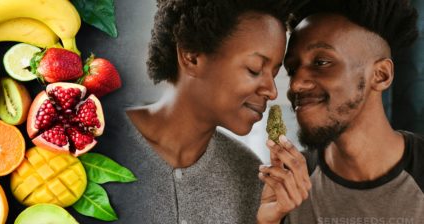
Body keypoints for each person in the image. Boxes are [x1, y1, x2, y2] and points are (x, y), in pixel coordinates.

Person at [109, 0, 298, 223]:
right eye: (254, 69)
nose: (272, 91)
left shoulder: (250, 174)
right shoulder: (99, 144)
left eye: (274, 73)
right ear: (192, 56)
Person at [257, 0, 424, 223]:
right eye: (293, 68)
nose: (296, 85)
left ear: (381, 75)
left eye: (321, 62)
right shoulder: (281, 187)